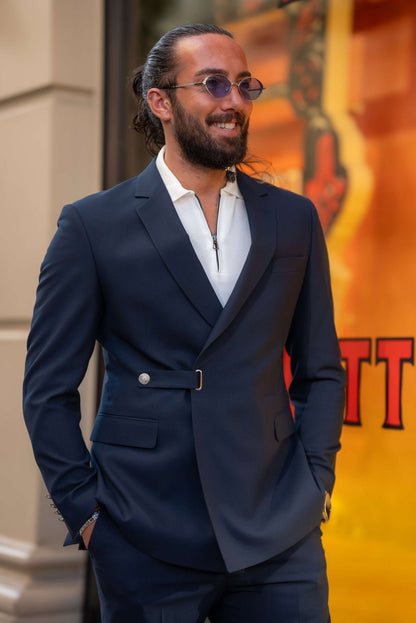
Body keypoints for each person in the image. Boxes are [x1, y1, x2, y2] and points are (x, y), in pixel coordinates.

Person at [23, 23, 345, 623]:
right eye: (214, 84)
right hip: (143, 530)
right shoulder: (93, 226)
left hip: (278, 532)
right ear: (161, 102)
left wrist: (316, 484)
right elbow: (47, 391)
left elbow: (321, 369)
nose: (234, 101)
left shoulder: (294, 220)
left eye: (245, 85)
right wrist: (88, 516)